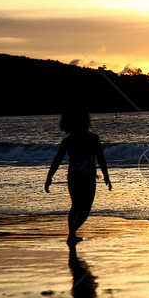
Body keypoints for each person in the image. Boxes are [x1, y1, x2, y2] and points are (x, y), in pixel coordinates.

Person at [45, 104, 112, 246]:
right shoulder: (93, 138)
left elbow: (57, 160)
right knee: (85, 208)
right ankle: (72, 233)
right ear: (86, 120)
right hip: (88, 177)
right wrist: (106, 176)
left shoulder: (68, 141)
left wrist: (49, 177)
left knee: (75, 205)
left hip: (74, 176)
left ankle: (72, 234)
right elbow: (101, 159)